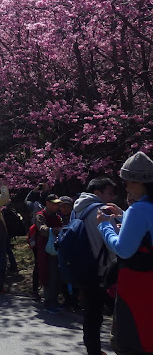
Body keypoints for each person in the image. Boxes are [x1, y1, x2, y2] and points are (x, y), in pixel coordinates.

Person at [97, 151, 153, 355]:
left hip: (138, 288)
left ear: (140, 182)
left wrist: (105, 226)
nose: (126, 186)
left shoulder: (138, 210)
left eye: (128, 182)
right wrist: (123, 215)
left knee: (131, 343)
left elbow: (123, 249)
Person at [73, 177, 117, 355]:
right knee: (118, 311)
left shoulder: (77, 209)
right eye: (109, 193)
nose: (111, 197)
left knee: (91, 314)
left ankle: (94, 350)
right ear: (97, 193)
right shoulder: (101, 210)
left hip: (83, 267)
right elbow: (114, 244)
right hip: (101, 269)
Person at [36, 194, 63, 312]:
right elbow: (42, 230)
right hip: (44, 248)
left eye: (57, 203)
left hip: (55, 248)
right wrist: (54, 230)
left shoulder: (57, 217)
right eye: (54, 203)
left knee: (55, 275)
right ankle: (48, 302)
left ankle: (54, 300)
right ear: (47, 203)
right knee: (46, 273)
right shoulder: (40, 215)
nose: (56, 206)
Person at [25, 182, 48, 298]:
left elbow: (27, 200)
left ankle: (35, 290)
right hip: (49, 236)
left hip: (37, 237)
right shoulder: (52, 207)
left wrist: (34, 190)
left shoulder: (35, 206)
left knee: (38, 264)